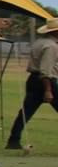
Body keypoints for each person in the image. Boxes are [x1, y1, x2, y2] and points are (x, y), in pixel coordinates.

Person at [6, 17, 58, 150]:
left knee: (25, 112)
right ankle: (13, 140)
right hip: (46, 81)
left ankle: (13, 140)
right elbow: (45, 70)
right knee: (27, 111)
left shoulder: (39, 42)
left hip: (33, 80)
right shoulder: (51, 46)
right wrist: (48, 90)